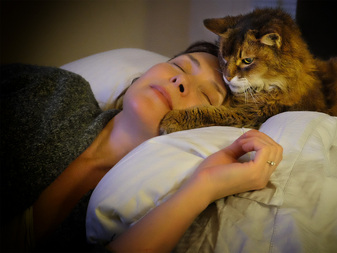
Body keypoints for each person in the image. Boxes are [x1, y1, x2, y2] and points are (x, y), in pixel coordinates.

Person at [0, 41, 283, 252]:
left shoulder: (153, 203)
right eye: (180, 66)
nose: (181, 80)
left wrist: (204, 185)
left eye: (207, 95)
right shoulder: (57, 90)